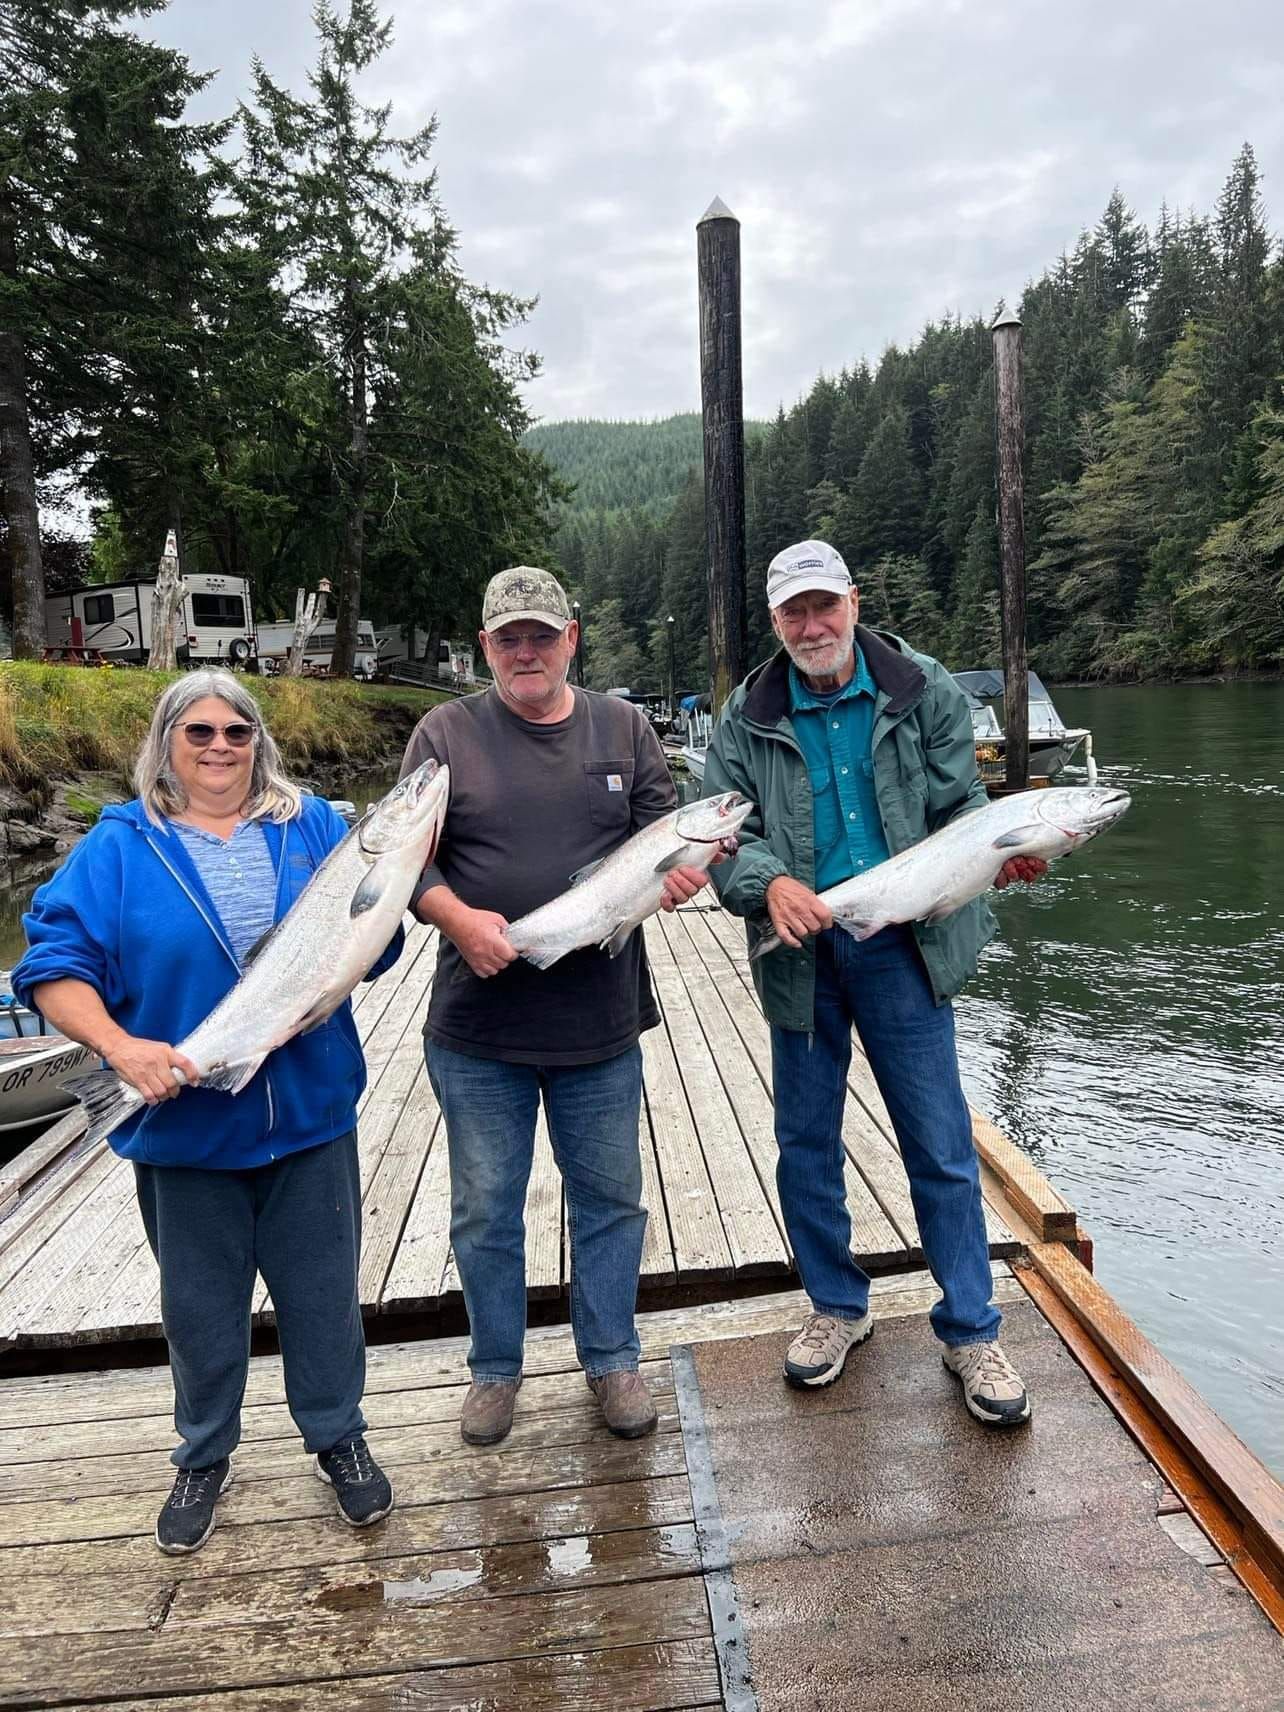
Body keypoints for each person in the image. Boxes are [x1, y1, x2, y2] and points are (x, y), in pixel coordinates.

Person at [11, 669, 400, 1553]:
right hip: (183, 1131)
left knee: (324, 1300)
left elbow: (373, 949)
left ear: (258, 740)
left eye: (238, 731)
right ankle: (203, 1454)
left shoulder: (315, 829)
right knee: (199, 1310)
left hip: (309, 1116)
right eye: (200, 733)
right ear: (166, 743)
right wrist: (120, 1048)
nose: (221, 747)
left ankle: (338, 1437)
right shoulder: (120, 846)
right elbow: (50, 962)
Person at [703, 541, 1046, 1427]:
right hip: (801, 950)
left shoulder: (921, 687)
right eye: (793, 613)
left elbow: (962, 812)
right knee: (805, 1142)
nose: (811, 626)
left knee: (938, 1142)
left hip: (910, 945)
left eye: (824, 606)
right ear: (775, 623)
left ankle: (971, 1328)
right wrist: (769, 883)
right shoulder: (747, 712)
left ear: (854, 601)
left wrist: (996, 860)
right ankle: (837, 1308)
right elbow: (724, 836)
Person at [399, 567, 713, 1448]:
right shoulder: (444, 733)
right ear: (485, 645)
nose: (526, 652)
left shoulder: (626, 727)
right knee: (485, 1208)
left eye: (542, 634)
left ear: (573, 636)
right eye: (509, 638)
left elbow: (667, 841)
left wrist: (683, 877)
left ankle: (612, 1357)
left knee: (610, 1198)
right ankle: (495, 1370)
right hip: (478, 1025)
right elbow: (399, 863)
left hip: (600, 1023)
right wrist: (457, 919)